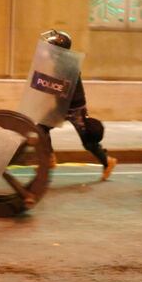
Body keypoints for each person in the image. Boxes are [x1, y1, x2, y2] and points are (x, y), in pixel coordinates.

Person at [39, 29, 117, 180]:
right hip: (62, 106)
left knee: (88, 142)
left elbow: (63, 86)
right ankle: (49, 159)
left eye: (51, 45)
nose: (48, 48)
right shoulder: (58, 62)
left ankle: (108, 161)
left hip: (74, 108)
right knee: (41, 129)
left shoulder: (68, 64)